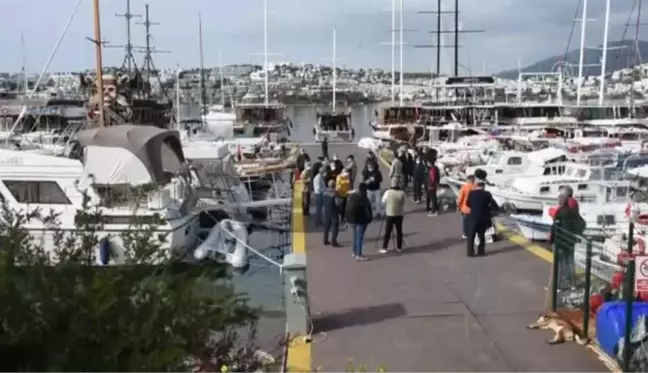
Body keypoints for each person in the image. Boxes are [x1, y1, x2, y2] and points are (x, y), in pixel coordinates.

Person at [550, 192, 583, 290]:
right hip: (570, 241)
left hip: (561, 241)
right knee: (570, 263)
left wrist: (551, 240)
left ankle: (559, 286)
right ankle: (573, 284)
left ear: (560, 202)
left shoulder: (559, 213)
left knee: (560, 264)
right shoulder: (572, 212)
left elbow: (555, 228)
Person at [465, 180, 497, 257]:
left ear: (477, 186)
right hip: (483, 217)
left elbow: (467, 204)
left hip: (473, 217)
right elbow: (493, 205)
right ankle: (481, 251)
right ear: (484, 187)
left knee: (471, 235)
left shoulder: (471, 193)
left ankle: (470, 252)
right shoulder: (487, 194)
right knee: (481, 235)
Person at [345, 183, 373, 261]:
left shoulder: (352, 196)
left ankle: (354, 252)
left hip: (351, 219)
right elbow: (367, 211)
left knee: (355, 236)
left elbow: (347, 207)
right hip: (361, 220)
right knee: (360, 237)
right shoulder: (364, 198)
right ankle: (359, 254)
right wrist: (369, 219)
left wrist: (346, 218)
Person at [381, 179, 406, 253]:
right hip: (399, 214)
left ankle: (384, 247)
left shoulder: (388, 192)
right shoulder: (402, 193)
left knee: (387, 232)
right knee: (399, 231)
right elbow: (403, 202)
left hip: (390, 214)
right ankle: (399, 247)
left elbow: (383, 201)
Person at [456, 175, 476, 239]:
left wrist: (458, 205)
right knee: (473, 221)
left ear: (468, 180)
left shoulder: (464, 187)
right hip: (474, 208)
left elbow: (460, 198)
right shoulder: (476, 187)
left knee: (465, 222)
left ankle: (465, 234)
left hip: (465, 208)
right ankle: (473, 233)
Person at [322, 179, 341, 246]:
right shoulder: (335, 193)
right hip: (334, 212)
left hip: (326, 211)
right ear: (334, 185)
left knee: (326, 226)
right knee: (334, 227)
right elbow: (337, 203)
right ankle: (334, 241)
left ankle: (325, 240)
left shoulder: (324, 192)